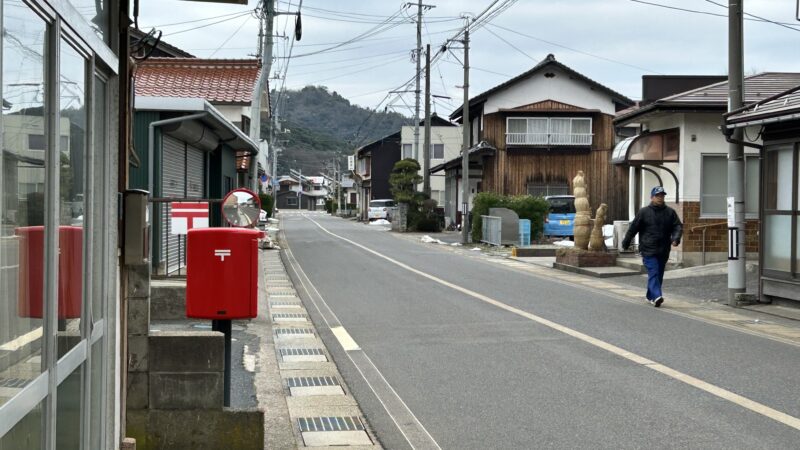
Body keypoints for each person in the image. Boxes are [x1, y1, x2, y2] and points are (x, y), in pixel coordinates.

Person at [621, 186, 683, 307]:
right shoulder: (644, 212)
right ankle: (657, 296)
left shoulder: (670, 212)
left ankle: (651, 296)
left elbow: (677, 226)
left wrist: (676, 238)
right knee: (653, 272)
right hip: (648, 248)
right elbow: (633, 228)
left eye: (662, 196)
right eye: (657, 196)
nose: (660, 198)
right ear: (652, 197)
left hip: (664, 248)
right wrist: (626, 242)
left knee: (659, 274)